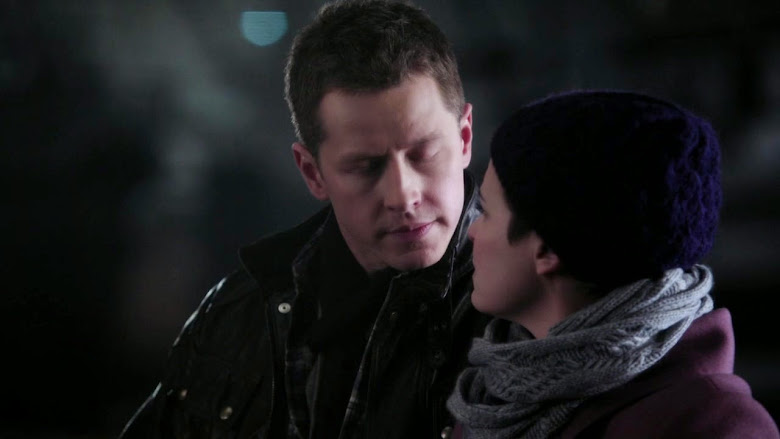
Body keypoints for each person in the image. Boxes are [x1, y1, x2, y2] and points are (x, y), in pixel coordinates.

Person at [118, 0, 491, 438]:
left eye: (423, 153)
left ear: (464, 138)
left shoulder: (529, 311)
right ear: (313, 173)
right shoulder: (239, 312)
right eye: (366, 167)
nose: (403, 196)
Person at [446, 90, 780, 438]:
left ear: (547, 250)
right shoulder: (492, 398)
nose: (472, 231)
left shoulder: (714, 427)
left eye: (486, 212)